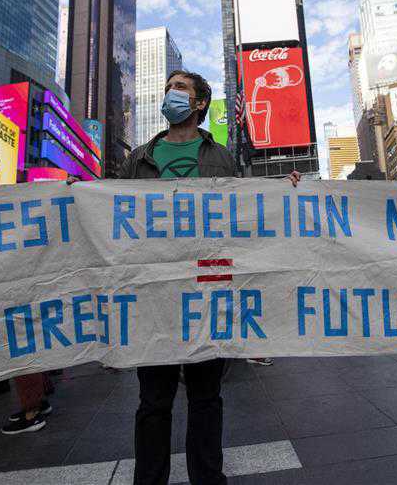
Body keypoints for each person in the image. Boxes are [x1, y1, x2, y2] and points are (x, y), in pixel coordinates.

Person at [66, 70, 299, 485]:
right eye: (169, 87)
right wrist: (81, 194)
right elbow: (113, 212)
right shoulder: (138, 158)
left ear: (199, 104)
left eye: (181, 88)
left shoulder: (222, 157)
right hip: (154, 299)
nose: (171, 94)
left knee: (206, 398)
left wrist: (283, 188)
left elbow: (244, 211)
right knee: (153, 402)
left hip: (208, 296)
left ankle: (209, 479)